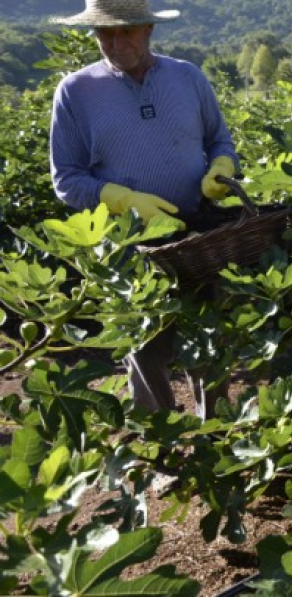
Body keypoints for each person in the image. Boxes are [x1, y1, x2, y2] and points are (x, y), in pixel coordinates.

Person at [49, 0, 239, 419]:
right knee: (145, 348)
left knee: (208, 342)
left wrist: (222, 168)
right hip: (130, 248)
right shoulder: (76, 92)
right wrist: (123, 200)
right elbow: (67, 179)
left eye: (127, 31)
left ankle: (220, 438)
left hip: (198, 237)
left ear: (149, 28)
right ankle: (158, 441)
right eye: (105, 33)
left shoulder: (187, 78)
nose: (116, 43)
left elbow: (219, 141)